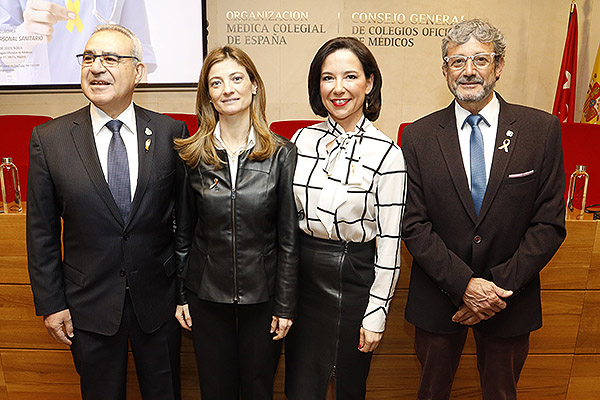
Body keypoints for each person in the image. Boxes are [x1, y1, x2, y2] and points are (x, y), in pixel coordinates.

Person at [402, 18, 566, 399]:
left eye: (480, 59)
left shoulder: (540, 130)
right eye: (457, 61)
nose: (469, 71)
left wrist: (495, 291)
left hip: (509, 300)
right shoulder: (418, 135)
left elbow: (549, 224)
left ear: (499, 65)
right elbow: (413, 224)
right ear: (445, 70)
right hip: (438, 298)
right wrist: (464, 285)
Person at [26, 24, 187, 400]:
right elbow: (42, 233)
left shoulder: (170, 133)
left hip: (159, 304)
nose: (97, 67)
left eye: (111, 58)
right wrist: (52, 305)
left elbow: (184, 225)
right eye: (89, 57)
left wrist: (183, 293)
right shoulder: (50, 140)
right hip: (89, 305)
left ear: (139, 72)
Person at [173, 45, 299, 400]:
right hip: (206, 297)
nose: (227, 89)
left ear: (254, 85)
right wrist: (182, 294)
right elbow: (183, 233)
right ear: (208, 95)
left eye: (236, 78)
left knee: (259, 389)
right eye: (216, 83)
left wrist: (285, 305)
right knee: (215, 390)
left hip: (264, 298)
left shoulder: (281, 153)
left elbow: (288, 239)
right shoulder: (191, 155)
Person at [285, 36, 407, 400]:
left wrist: (377, 313)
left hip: (353, 280)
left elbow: (389, 243)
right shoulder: (301, 140)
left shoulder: (388, 155)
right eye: (327, 78)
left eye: (350, 77)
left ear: (369, 83)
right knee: (300, 388)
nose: (338, 89)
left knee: (349, 389)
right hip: (302, 279)